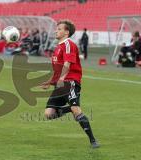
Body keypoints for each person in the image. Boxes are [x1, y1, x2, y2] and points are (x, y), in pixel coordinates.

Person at [40, 20, 99, 148]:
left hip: (70, 81)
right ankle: (70, 109)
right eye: (57, 28)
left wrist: (62, 79)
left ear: (66, 32)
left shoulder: (68, 44)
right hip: (60, 83)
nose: (56, 30)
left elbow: (67, 63)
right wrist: (50, 82)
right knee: (49, 114)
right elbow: (57, 68)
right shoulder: (58, 48)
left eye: (59, 29)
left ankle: (93, 141)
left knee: (77, 110)